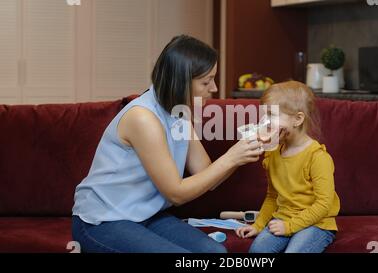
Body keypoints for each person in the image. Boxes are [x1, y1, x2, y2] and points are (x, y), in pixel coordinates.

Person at [72, 35, 264, 253]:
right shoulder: (143, 118)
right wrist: (231, 157)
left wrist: (244, 150)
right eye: (206, 81)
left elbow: (207, 175)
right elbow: (176, 193)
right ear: (182, 81)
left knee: (215, 252)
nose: (214, 87)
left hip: (145, 215)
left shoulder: (179, 112)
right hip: (103, 220)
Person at [235, 81, 340, 253]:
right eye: (264, 116)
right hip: (283, 218)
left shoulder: (318, 157)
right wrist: (258, 225)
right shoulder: (273, 152)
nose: (265, 122)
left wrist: (290, 226)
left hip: (317, 224)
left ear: (298, 119)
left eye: (271, 115)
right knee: (257, 252)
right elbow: (272, 195)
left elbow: (324, 204)